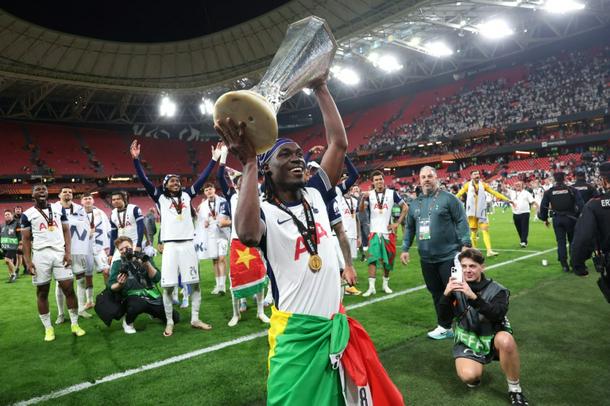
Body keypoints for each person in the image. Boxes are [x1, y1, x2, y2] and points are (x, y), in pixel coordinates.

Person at [215, 79, 403, 405]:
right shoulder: (265, 212)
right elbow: (246, 234)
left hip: (334, 327)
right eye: (285, 155)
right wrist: (247, 163)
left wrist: (320, 88)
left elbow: (338, 143)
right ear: (267, 168)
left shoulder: (315, 193)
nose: (297, 159)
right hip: (296, 336)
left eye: (299, 154)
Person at [132, 139, 217, 337]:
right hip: (170, 247)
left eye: (178, 181)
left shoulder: (187, 195)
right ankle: (169, 322)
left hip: (188, 245)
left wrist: (214, 159)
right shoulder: (160, 197)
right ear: (165, 184)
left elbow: (202, 179)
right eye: (172, 181)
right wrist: (136, 160)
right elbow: (144, 180)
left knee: (194, 284)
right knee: (168, 287)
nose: (176, 183)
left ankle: (195, 318)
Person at [438, 248, 529, 406]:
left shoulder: (498, 290)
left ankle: (515, 390)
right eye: (464, 266)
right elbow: (443, 319)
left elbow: (497, 315)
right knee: (469, 377)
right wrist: (446, 295)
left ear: (482, 267)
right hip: (468, 338)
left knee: (506, 340)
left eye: (472, 266)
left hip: (493, 337)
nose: (468, 270)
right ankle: (475, 371)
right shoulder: (455, 287)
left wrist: (473, 297)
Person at [400, 166, 471, 340]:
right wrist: (405, 248)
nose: (426, 179)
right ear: (419, 180)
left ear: (436, 177)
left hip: (449, 255)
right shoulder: (415, 204)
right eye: (423, 177)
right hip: (426, 258)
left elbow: (461, 220)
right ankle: (445, 326)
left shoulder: (449, 199)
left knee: (457, 291)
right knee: (437, 293)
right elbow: (409, 228)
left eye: (429, 176)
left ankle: (467, 324)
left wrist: (466, 244)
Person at [20, 184, 86, 341]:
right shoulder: (27, 214)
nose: (41, 191)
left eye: (44, 189)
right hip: (40, 255)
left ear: (48, 193)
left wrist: (68, 253)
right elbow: (26, 240)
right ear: (32, 195)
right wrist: (28, 262)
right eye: (38, 190)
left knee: (69, 289)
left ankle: (75, 324)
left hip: (59, 253)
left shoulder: (58, 209)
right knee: (42, 292)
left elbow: (66, 231)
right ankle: (48, 328)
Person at [217, 155, 270, 327]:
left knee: (259, 276)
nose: (242, 183)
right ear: (235, 184)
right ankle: (236, 314)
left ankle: (260, 312)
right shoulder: (232, 196)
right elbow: (219, 177)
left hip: (254, 241)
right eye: (239, 181)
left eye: (244, 180)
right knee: (235, 279)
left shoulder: (257, 196)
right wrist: (222, 157)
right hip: (237, 243)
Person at [107, 236, 176, 334]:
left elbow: (157, 278)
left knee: (175, 318)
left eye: (126, 247)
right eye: (121, 249)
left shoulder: (142, 257)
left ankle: (153, 312)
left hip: (151, 295)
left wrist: (147, 264)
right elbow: (110, 287)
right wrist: (119, 284)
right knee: (138, 304)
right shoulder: (117, 264)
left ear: (132, 246)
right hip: (132, 298)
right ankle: (128, 322)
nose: (124, 251)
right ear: (118, 251)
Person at [359, 170, 408, 297]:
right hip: (374, 232)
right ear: (373, 182)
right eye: (376, 180)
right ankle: (371, 287)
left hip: (388, 232)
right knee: (372, 259)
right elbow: (361, 210)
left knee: (388, 260)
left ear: (383, 180)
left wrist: (397, 223)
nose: (379, 181)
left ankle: (385, 284)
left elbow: (405, 207)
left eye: (380, 179)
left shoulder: (392, 193)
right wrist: (362, 199)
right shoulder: (369, 195)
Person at [53, 187, 93, 322]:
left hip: (77, 249)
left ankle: (81, 309)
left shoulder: (80, 209)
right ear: (59, 195)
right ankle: (60, 313)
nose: (68, 193)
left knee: (81, 279)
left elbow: (86, 226)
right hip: (61, 250)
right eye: (64, 192)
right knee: (60, 283)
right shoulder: (54, 209)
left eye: (70, 192)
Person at [456, 170, 514, 257]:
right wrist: (450, 201)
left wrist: (506, 199)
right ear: (471, 176)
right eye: (475, 174)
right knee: (474, 232)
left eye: (478, 174)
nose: (477, 175)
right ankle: (474, 250)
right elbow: (459, 194)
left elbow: (494, 192)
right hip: (472, 212)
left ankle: (489, 251)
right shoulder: (467, 185)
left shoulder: (483, 185)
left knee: (485, 230)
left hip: (481, 211)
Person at [538, 171, 584, 273]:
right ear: (564, 178)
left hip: (557, 219)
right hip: (571, 218)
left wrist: (545, 219)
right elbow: (581, 205)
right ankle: (573, 262)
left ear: (555, 179)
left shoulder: (549, 192)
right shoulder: (572, 190)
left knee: (561, 242)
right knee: (572, 241)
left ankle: (564, 265)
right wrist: (578, 216)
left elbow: (543, 207)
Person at [571, 162, 610, 279]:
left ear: (604, 180)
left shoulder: (594, 204)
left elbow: (584, 237)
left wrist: (578, 265)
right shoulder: (593, 201)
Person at [198, 181, 231, 295]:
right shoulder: (203, 206)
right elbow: (202, 221)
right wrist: (205, 223)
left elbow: (228, 216)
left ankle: (223, 285)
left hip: (223, 234)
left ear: (214, 189)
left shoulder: (223, 201)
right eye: (206, 190)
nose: (209, 191)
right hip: (211, 235)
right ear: (204, 192)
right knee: (215, 260)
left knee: (222, 258)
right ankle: (217, 285)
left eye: (210, 189)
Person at [81, 193, 111, 308]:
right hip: (85, 249)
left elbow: (108, 229)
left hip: (99, 247)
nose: (88, 200)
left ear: (93, 201)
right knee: (87, 275)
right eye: (85, 199)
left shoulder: (100, 213)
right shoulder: (78, 214)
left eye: (89, 198)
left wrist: (108, 247)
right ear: (81, 202)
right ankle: (89, 301)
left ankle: (109, 296)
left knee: (106, 271)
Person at [109, 191, 144, 269]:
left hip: (134, 243)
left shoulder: (134, 209)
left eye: (118, 199)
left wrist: (139, 245)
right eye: (113, 200)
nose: (116, 201)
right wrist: (111, 253)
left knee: (135, 267)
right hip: (121, 246)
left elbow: (141, 227)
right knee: (113, 268)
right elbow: (113, 235)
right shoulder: (112, 214)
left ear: (124, 199)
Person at [509, 182, 538, 248]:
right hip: (515, 213)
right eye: (516, 185)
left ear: (522, 186)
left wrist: (538, 207)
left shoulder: (526, 193)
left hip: (525, 213)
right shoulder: (513, 193)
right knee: (518, 228)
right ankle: (523, 240)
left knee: (524, 227)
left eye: (519, 185)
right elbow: (504, 189)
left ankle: (523, 241)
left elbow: (532, 201)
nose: (517, 186)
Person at [1, 209, 20, 283]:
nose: (7, 216)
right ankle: (11, 276)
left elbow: (19, 234)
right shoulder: (2, 225)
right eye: (5, 215)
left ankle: (14, 274)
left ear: (12, 215)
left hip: (13, 246)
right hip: (4, 246)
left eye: (8, 214)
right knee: (8, 262)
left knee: (7, 260)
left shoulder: (16, 223)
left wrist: (20, 244)